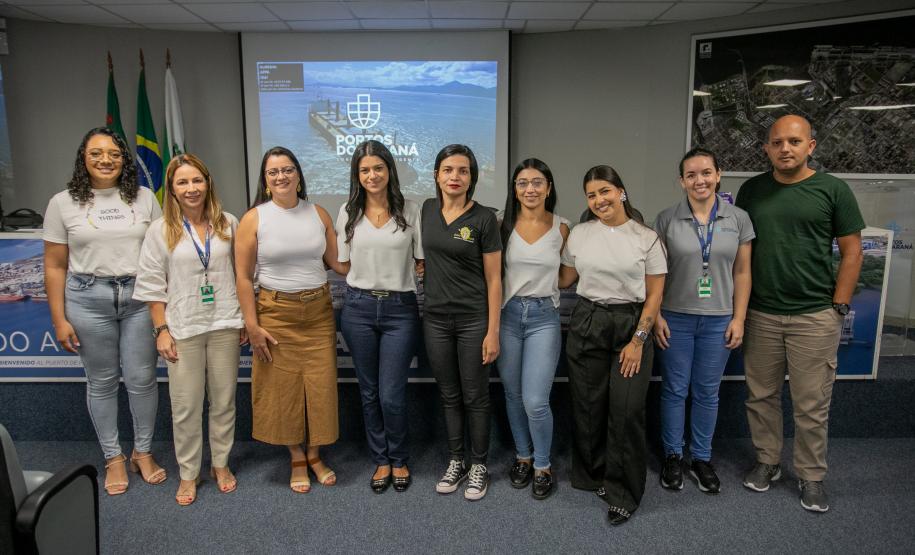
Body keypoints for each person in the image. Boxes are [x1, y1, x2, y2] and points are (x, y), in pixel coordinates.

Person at [736, 115, 864, 512]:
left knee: (811, 403)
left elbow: (853, 251)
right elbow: (741, 253)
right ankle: (768, 461)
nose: (785, 149)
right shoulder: (752, 191)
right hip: (762, 314)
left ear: (811, 146)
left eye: (794, 141)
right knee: (761, 396)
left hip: (814, 315)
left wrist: (838, 306)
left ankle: (811, 475)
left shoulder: (832, 190)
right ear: (767, 149)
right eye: (777, 143)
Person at [43, 127, 165, 495]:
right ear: (84, 158)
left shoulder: (144, 198)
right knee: (102, 381)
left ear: (124, 159)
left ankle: (142, 452)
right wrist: (59, 318)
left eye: (113, 153)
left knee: (143, 379)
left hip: (139, 298)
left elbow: (160, 254)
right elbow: (54, 266)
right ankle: (113, 457)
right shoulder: (62, 203)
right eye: (96, 153)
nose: (105, 160)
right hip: (86, 297)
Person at [134, 154, 245, 505]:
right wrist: (161, 329)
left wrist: (245, 318)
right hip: (183, 327)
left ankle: (221, 464)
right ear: (172, 189)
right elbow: (152, 285)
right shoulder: (159, 230)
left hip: (225, 322)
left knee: (224, 402)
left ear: (208, 182)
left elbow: (243, 275)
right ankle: (188, 473)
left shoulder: (229, 223)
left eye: (197, 180)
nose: (191, 188)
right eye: (182, 182)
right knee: (185, 406)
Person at [235, 146, 347, 493]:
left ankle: (315, 453)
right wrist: (252, 325)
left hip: (318, 313)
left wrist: (383, 258)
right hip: (276, 314)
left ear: (299, 174)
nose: (281, 176)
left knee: (321, 385)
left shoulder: (319, 214)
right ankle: (297, 455)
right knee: (281, 389)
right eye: (273, 172)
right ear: (265, 180)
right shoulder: (255, 218)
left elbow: (338, 264)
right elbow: (242, 276)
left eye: (287, 170)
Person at [558, 165, 666, 525]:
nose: (599, 200)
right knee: (587, 406)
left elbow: (654, 297)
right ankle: (593, 475)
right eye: (591, 194)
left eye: (605, 191)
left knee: (626, 411)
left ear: (621, 191)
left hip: (630, 325)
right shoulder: (580, 234)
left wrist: (638, 340)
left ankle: (624, 493)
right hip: (588, 320)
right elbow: (566, 278)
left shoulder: (646, 237)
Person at [653, 147, 754, 494]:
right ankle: (672, 455)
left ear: (718, 174)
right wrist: (656, 316)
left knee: (707, 392)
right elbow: (656, 274)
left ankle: (700, 457)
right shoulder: (666, 219)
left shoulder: (738, 218)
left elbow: (742, 272)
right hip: (675, 318)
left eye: (706, 172)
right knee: (675, 390)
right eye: (692, 175)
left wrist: (739, 318)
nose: (700, 180)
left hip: (719, 319)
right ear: (682, 181)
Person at [335, 140, 423, 494]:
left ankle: (399, 458)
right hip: (357, 308)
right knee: (368, 391)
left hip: (400, 310)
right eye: (364, 170)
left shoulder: (411, 210)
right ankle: (381, 460)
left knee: (391, 394)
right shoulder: (347, 211)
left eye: (378, 168)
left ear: (389, 170)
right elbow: (342, 264)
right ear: (357, 175)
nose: (372, 175)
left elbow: (422, 262)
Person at [422, 144, 502, 501]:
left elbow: (495, 279)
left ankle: (479, 465)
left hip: (473, 321)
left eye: (463, 171)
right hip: (436, 319)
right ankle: (457, 461)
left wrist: (492, 331)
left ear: (472, 177)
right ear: (437, 174)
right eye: (448, 170)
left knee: (476, 397)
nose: (455, 177)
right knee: (449, 395)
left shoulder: (484, 218)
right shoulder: (426, 209)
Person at [497, 158, 569, 500]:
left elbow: (568, 276)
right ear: (515, 189)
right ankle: (523, 457)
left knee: (536, 400)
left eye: (537, 182)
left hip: (543, 316)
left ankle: (543, 464)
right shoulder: (500, 226)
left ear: (549, 188)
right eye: (523, 182)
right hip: (507, 316)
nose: (530, 189)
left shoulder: (563, 228)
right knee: (512, 394)